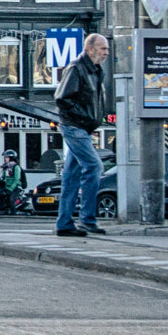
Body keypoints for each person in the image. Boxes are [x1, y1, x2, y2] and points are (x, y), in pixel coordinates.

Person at [53, 33, 110, 237]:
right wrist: (85, 116)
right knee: (94, 166)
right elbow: (62, 98)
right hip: (74, 127)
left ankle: (65, 223)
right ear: (90, 49)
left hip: (82, 128)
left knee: (71, 176)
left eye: (106, 49)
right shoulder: (77, 68)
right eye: (102, 49)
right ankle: (87, 219)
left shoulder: (95, 70)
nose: (106, 53)